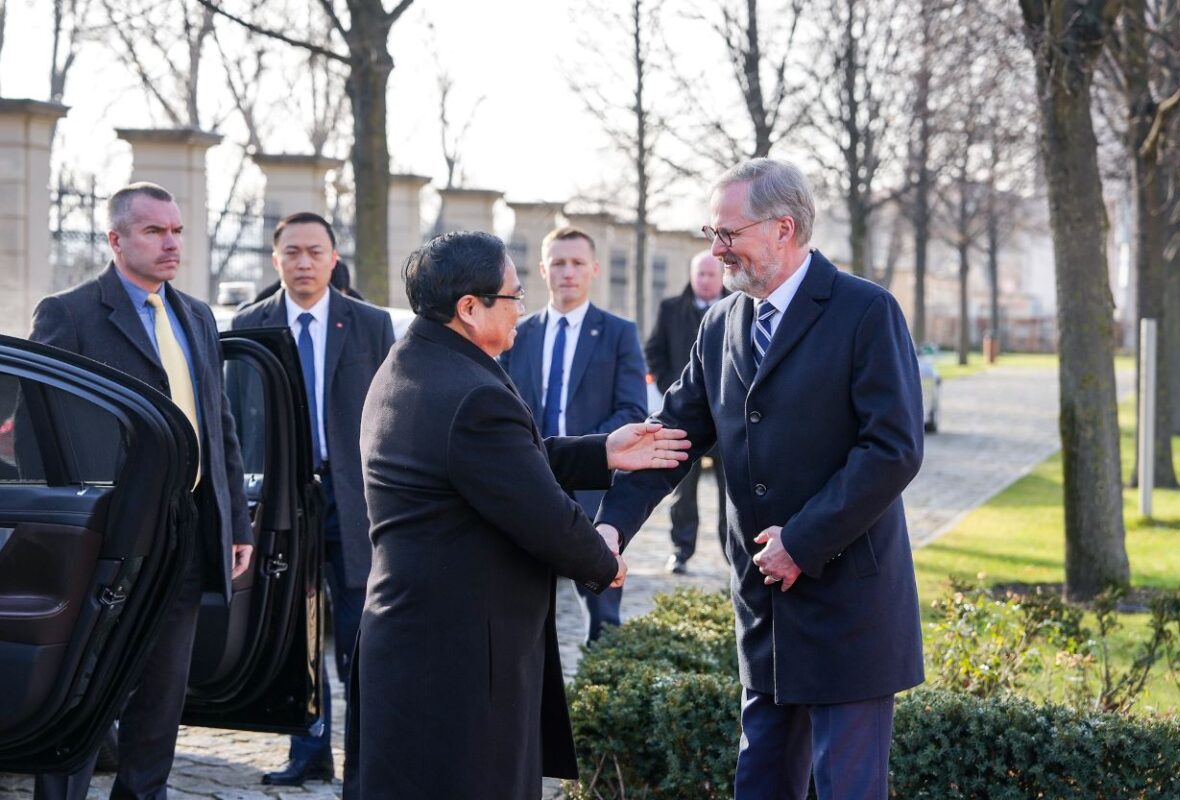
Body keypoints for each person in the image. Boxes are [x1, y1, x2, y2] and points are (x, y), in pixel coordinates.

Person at [595, 158, 925, 799]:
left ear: (783, 227)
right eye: (711, 233)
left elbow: (893, 450)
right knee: (761, 786)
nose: (716, 249)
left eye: (728, 233)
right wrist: (611, 526)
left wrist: (801, 542)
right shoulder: (720, 322)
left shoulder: (866, 311)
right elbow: (673, 436)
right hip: (765, 610)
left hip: (848, 610)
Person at [354, 230, 688, 799]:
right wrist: (602, 558)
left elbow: (498, 464)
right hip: (460, 661)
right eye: (512, 296)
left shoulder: (416, 361)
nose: (521, 308)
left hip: (414, 641)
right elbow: (542, 516)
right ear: (469, 308)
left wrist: (603, 450)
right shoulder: (469, 394)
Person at [28, 182, 253, 799]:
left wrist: (237, 523)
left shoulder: (197, 316)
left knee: (162, 693)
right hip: (109, 538)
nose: (171, 243)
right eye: (155, 231)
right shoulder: (69, 313)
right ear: (116, 238)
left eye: (177, 230)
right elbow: (39, 429)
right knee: (85, 687)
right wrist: (68, 528)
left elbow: (219, 426)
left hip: (184, 535)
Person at [232, 212, 394, 786]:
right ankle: (309, 753)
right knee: (296, 639)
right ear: (276, 260)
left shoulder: (370, 324)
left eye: (314, 251)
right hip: (283, 505)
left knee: (360, 640)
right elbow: (239, 423)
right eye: (292, 252)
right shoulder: (250, 325)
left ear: (332, 258)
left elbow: (394, 415)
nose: (303, 262)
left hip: (356, 505)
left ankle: (366, 761)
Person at [499, 226, 647, 644]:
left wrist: (581, 455)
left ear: (594, 269)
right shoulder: (516, 333)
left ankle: (599, 696)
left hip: (594, 495)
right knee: (520, 610)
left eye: (578, 263)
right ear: (543, 270)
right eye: (559, 263)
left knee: (602, 615)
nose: (568, 272)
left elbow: (632, 411)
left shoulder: (619, 333)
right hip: (528, 486)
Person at [643, 250, 730, 573]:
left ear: (721, 276)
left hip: (727, 418)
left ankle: (734, 553)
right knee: (683, 491)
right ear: (693, 276)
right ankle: (681, 550)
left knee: (732, 492)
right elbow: (654, 352)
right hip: (684, 419)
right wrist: (673, 388)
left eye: (711, 274)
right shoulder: (670, 310)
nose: (706, 280)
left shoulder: (740, 306)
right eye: (701, 274)